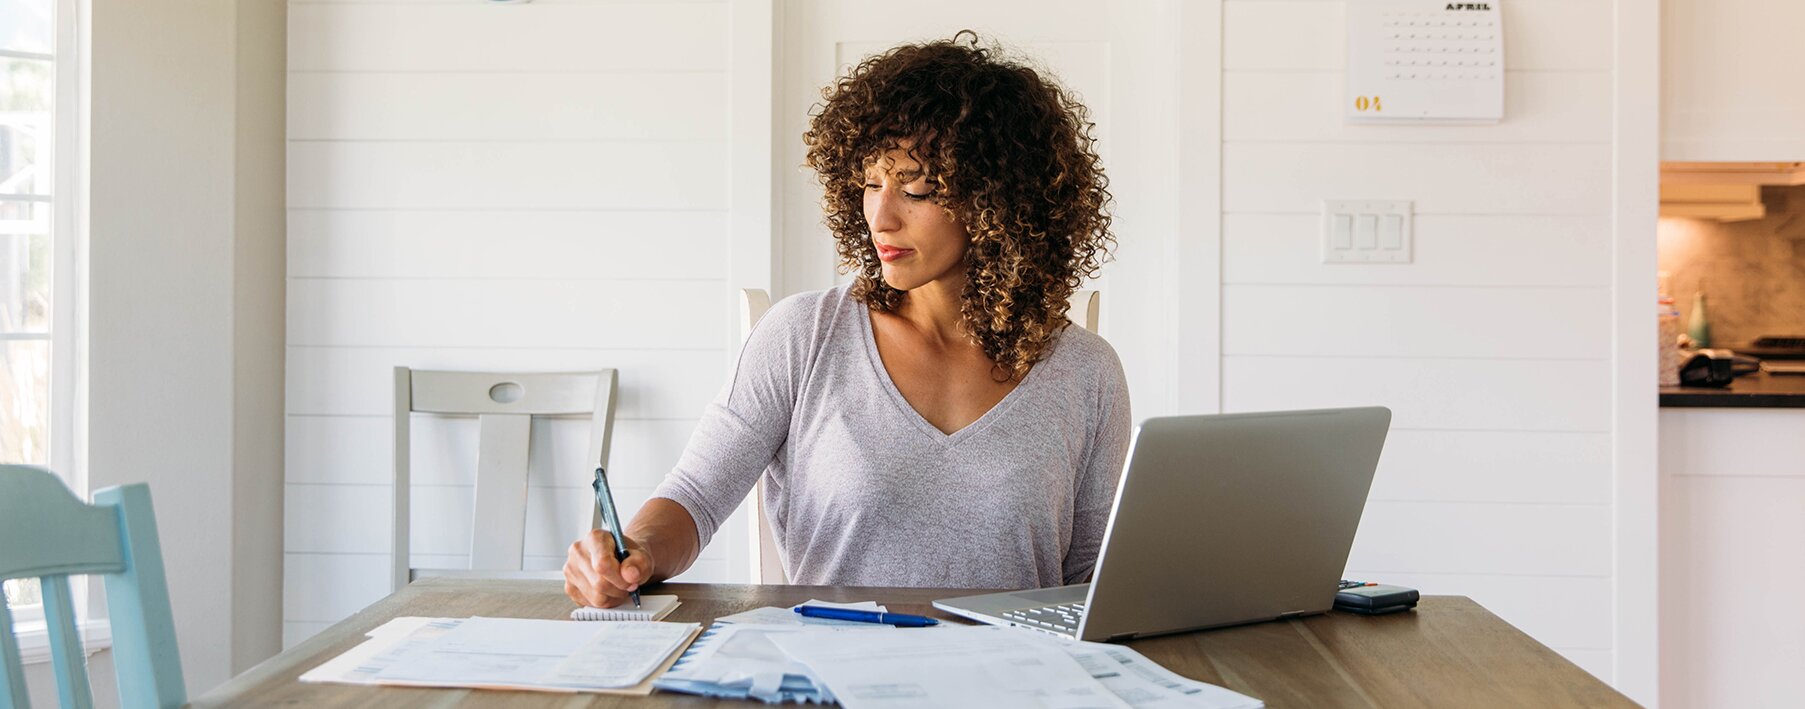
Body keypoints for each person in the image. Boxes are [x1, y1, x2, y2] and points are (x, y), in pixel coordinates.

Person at [564, 31, 1130, 608]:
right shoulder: (804, 336)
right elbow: (694, 497)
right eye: (869, 184)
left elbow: (1094, 582)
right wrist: (634, 552)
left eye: (917, 189)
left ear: (1000, 201)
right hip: (835, 679)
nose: (880, 217)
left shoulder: (1086, 371)